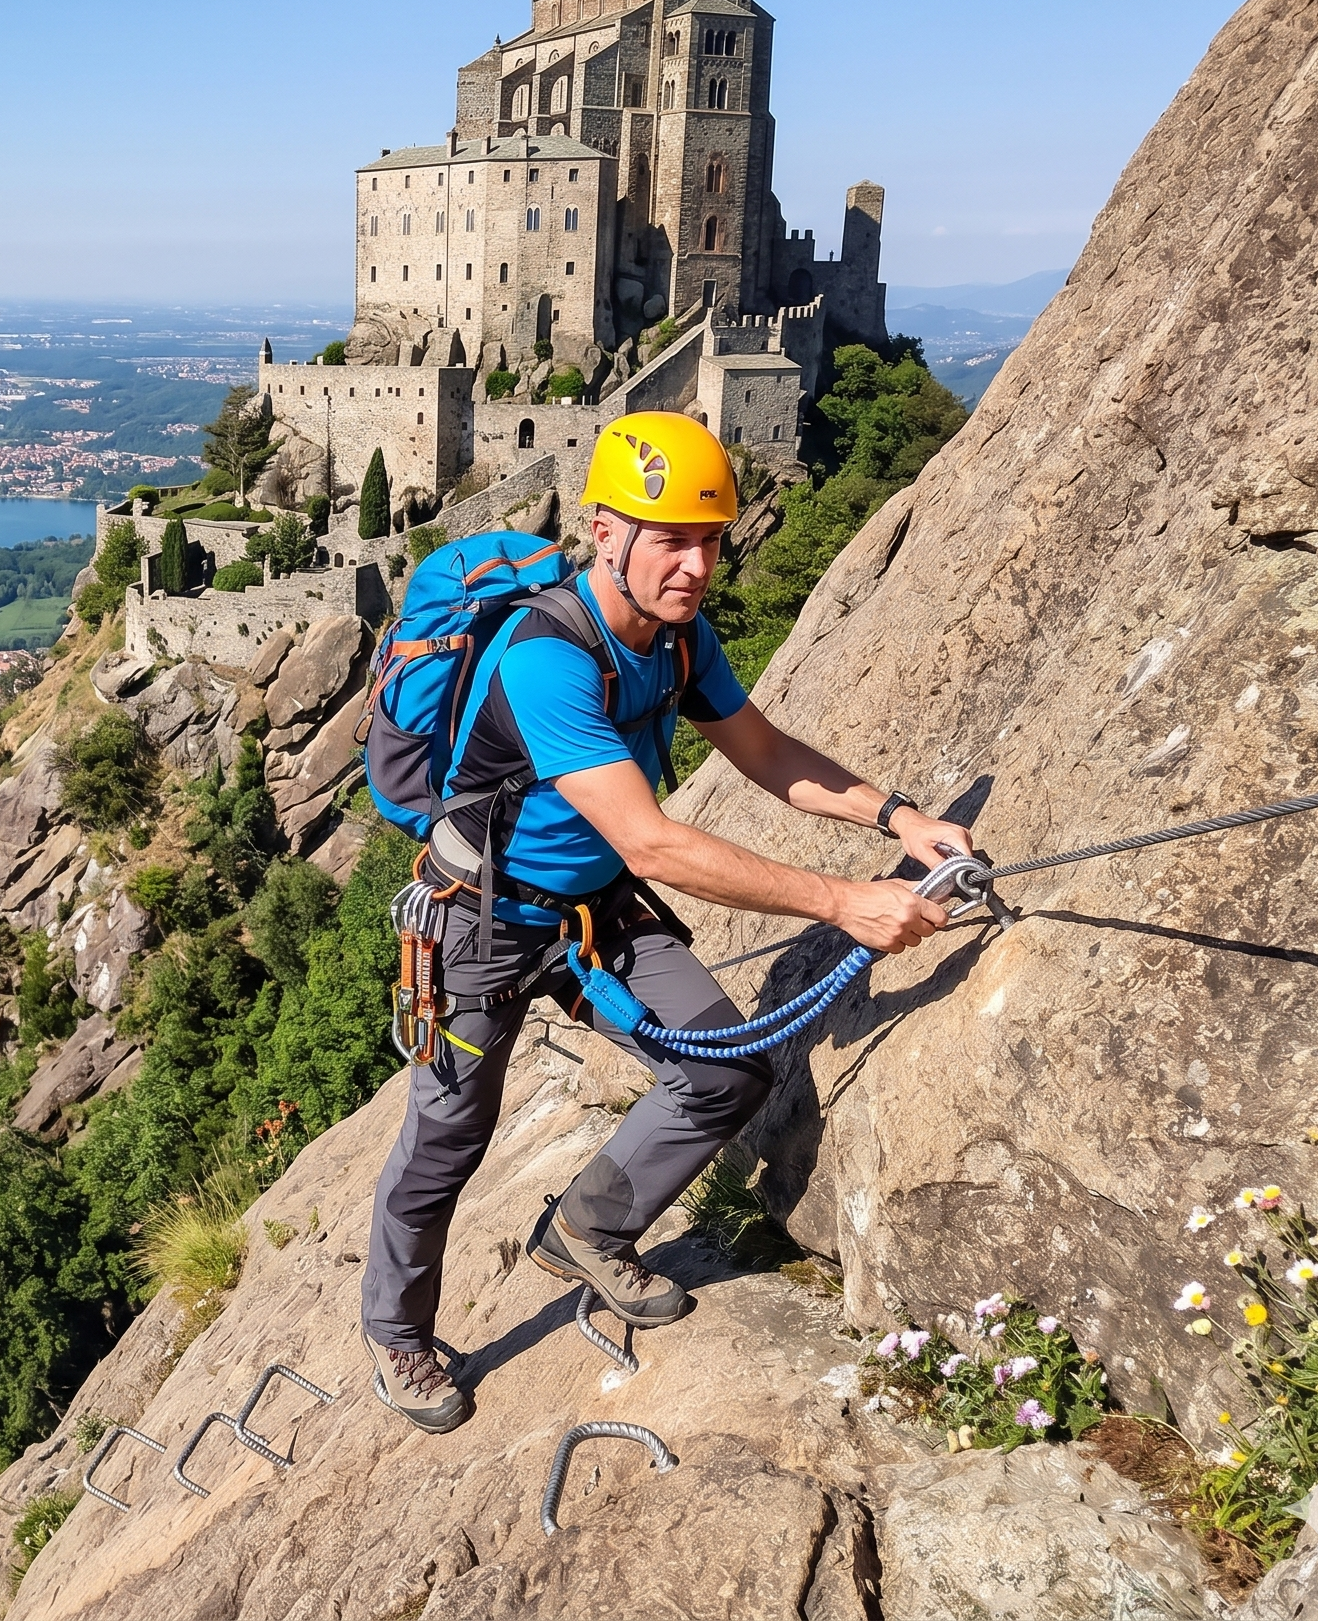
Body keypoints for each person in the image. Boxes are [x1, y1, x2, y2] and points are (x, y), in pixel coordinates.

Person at [361, 411, 975, 1433]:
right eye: (671, 541)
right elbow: (653, 844)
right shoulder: (546, 658)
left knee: (726, 1068)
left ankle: (587, 1229)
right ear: (605, 532)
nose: (696, 567)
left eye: (710, 541)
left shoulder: (678, 638)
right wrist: (844, 902)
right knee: (447, 1139)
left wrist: (898, 818)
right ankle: (396, 1334)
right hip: (483, 923)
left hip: (592, 911)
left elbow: (765, 752)